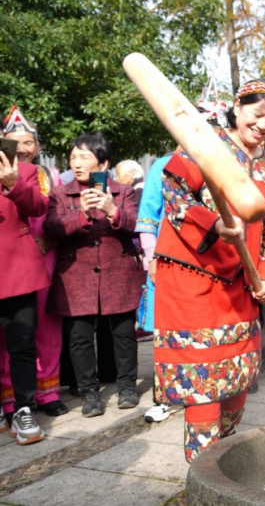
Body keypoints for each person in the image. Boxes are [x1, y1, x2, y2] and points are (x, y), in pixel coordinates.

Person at [153, 78, 265, 462]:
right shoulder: (204, 145)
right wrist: (212, 224)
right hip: (194, 281)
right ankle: (203, 480)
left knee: (236, 384)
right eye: (257, 115)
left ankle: (221, 465)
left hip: (241, 287)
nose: (263, 125)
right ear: (238, 109)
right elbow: (174, 190)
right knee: (203, 388)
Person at [44, 133, 142, 418]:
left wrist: (112, 209)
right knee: (80, 338)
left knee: (124, 334)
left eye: (84, 157)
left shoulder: (123, 191)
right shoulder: (60, 194)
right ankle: (89, 392)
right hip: (76, 276)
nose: (76, 163)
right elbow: (52, 228)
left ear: (104, 162)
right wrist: (83, 215)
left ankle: (126, 387)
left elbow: (137, 224)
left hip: (118, 272)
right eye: (73, 157)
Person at [0, 107, 67, 419]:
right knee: (12, 337)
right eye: (13, 142)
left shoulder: (44, 174)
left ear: (37, 147)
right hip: (13, 260)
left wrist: (50, 241)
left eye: (28, 142)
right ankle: (10, 398)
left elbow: (49, 212)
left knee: (42, 331)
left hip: (44, 256)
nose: (21, 148)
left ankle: (46, 391)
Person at [0, 127, 48, 444]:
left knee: (22, 347)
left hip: (18, 270)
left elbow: (39, 208)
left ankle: (24, 410)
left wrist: (11, 182)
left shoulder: (25, 170)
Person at [134, 151, 175, 423]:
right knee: (164, 330)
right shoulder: (162, 165)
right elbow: (148, 217)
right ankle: (163, 396)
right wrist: (151, 258)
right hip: (166, 260)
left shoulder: (220, 159)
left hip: (210, 263)